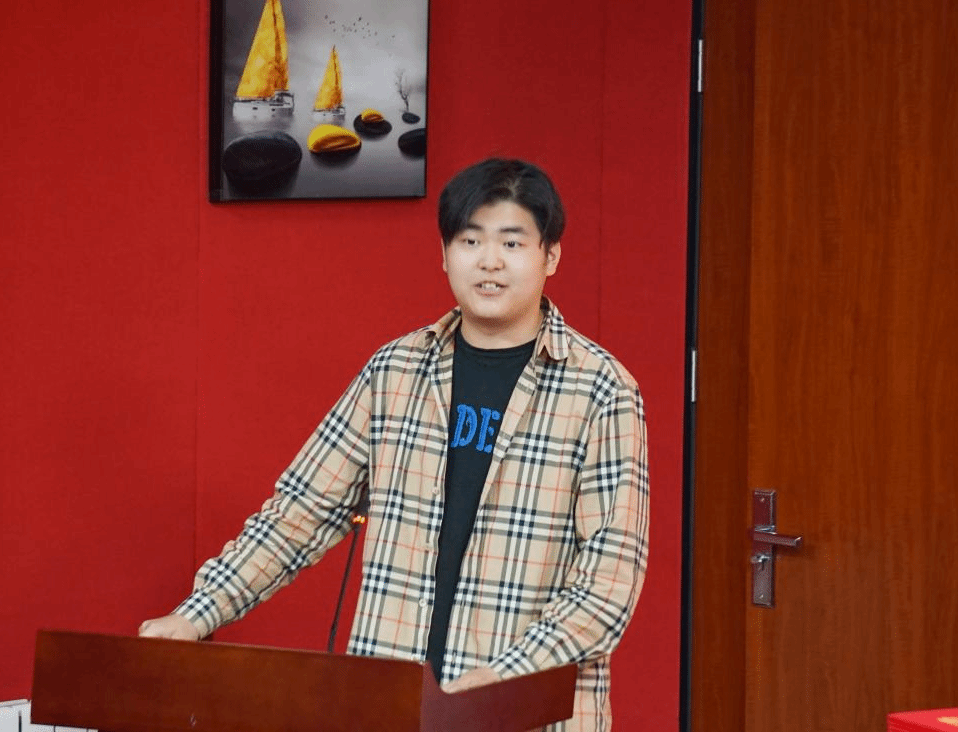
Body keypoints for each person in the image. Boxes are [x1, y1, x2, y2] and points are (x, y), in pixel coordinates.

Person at [139, 157, 649, 731]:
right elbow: (300, 515)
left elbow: (609, 584)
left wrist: (501, 677)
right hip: (392, 707)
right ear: (444, 254)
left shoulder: (602, 390)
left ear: (550, 256)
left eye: (512, 242)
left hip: (527, 715)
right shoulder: (395, 371)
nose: (489, 261)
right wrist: (197, 614)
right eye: (470, 240)